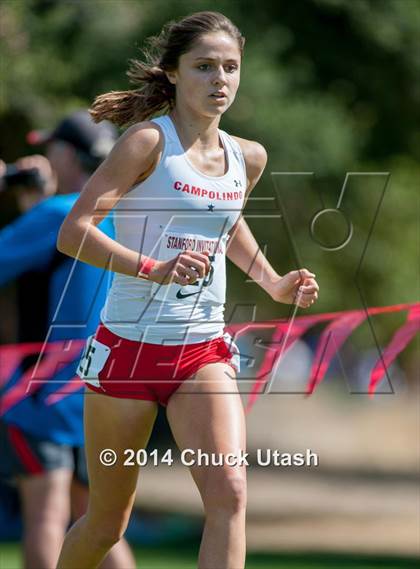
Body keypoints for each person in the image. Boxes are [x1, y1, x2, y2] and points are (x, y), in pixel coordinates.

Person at [56, 11, 319, 569]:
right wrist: (151, 267)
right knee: (108, 521)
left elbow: (224, 224)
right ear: (173, 74)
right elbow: (72, 233)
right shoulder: (147, 141)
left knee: (230, 496)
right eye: (204, 67)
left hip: (201, 350)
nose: (219, 79)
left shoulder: (247, 157)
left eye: (230, 67)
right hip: (126, 352)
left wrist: (272, 281)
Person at [0, 111, 136, 568]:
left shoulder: (57, 213)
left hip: (43, 392)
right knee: (101, 521)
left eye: (51, 149)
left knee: (47, 515)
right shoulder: (122, 216)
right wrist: (34, 205)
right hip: (102, 391)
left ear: (64, 153)